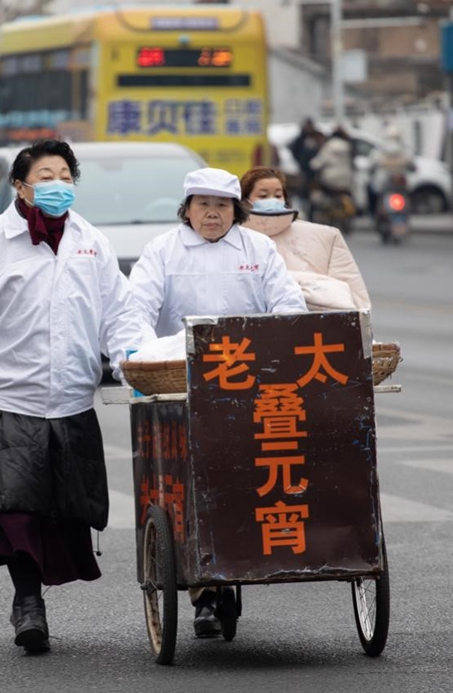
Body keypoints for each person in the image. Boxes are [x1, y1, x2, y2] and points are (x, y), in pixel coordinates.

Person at [0, 139, 152, 653]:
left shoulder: (91, 242)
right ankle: (27, 603)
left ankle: (35, 593)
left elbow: (119, 312)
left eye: (66, 175)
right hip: (6, 400)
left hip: (69, 401)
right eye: (46, 176)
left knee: (60, 513)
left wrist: (135, 360)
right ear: (19, 186)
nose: (58, 186)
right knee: (13, 509)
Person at [129, 168, 306, 638]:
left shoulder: (258, 249)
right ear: (186, 209)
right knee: (194, 486)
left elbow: (288, 307)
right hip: (183, 388)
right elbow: (135, 314)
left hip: (250, 390)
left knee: (250, 481)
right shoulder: (161, 251)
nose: (212, 213)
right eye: (202, 204)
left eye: (222, 205)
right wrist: (144, 357)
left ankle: (241, 560)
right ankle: (204, 592)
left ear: (237, 210)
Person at [241, 166, 371, 311]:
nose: (272, 200)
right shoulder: (233, 238)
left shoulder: (326, 236)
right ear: (245, 200)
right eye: (263, 196)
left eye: (278, 195)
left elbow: (355, 294)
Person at [288, 118, 325, 207]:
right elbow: (294, 150)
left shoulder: (316, 137)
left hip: (315, 170)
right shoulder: (300, 139)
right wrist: (300, 161)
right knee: (304, 190)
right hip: (304, 169)